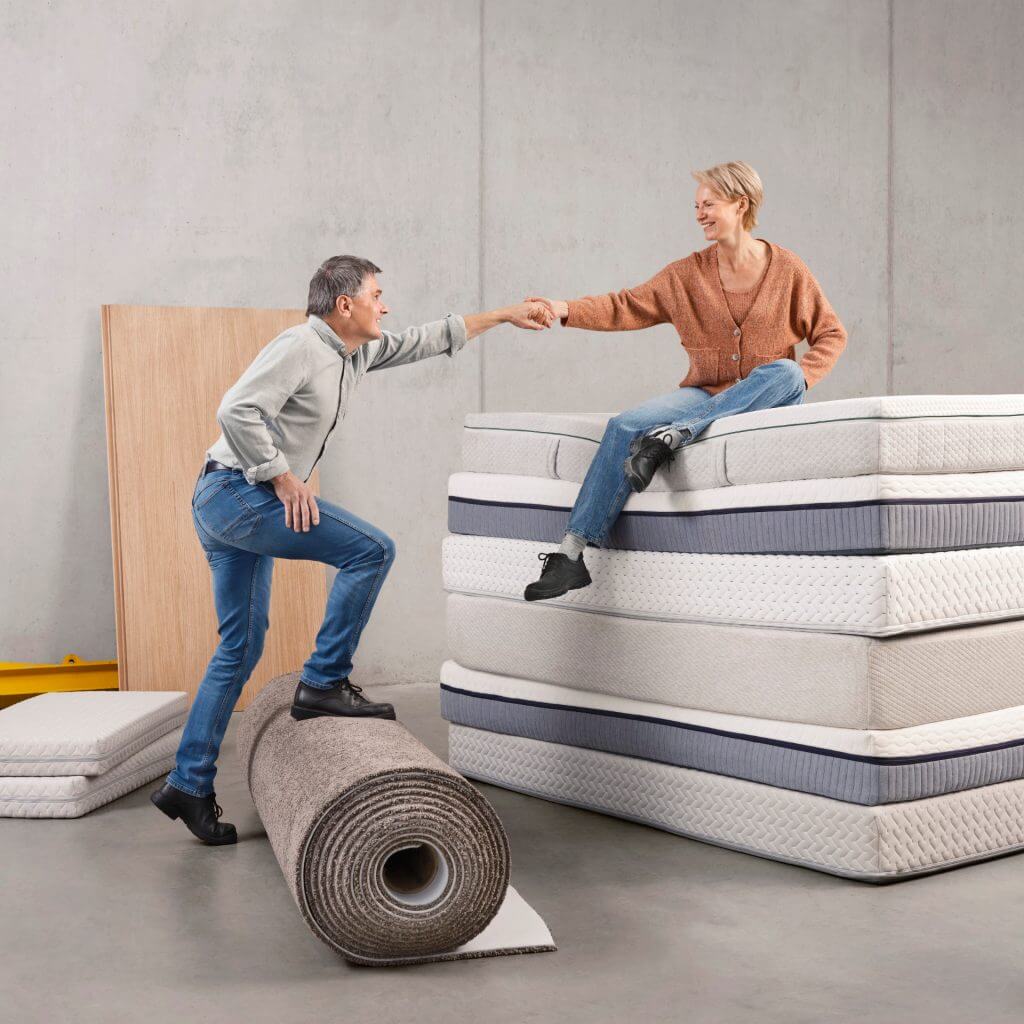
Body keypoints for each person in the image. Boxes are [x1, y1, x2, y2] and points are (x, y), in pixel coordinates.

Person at [152, 256, 553, 845]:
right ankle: (324, 682)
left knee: (240, 646)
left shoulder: (353, 351)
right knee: (372, 550)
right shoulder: (300, 346)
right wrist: (282, 477)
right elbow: (236, 409)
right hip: (235, 494)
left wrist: (504, 314)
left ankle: (187, 784)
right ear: (345, 306)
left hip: (226, 499)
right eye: (376, 295)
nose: (384, 306)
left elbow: (425, 340)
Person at [522, 160, 848, 602]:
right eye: (696, 205)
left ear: (741, 203)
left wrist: (802, 380)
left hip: (761, 398)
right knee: (623, 426)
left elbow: (831, 334)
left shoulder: (788, 270)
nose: (699, 214)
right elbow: (625, 305)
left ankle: (676, 436)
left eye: (709, 204)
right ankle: (571, 554)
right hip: (702, 392)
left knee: (787, 371)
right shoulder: (686, 275)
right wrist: (565, 308)